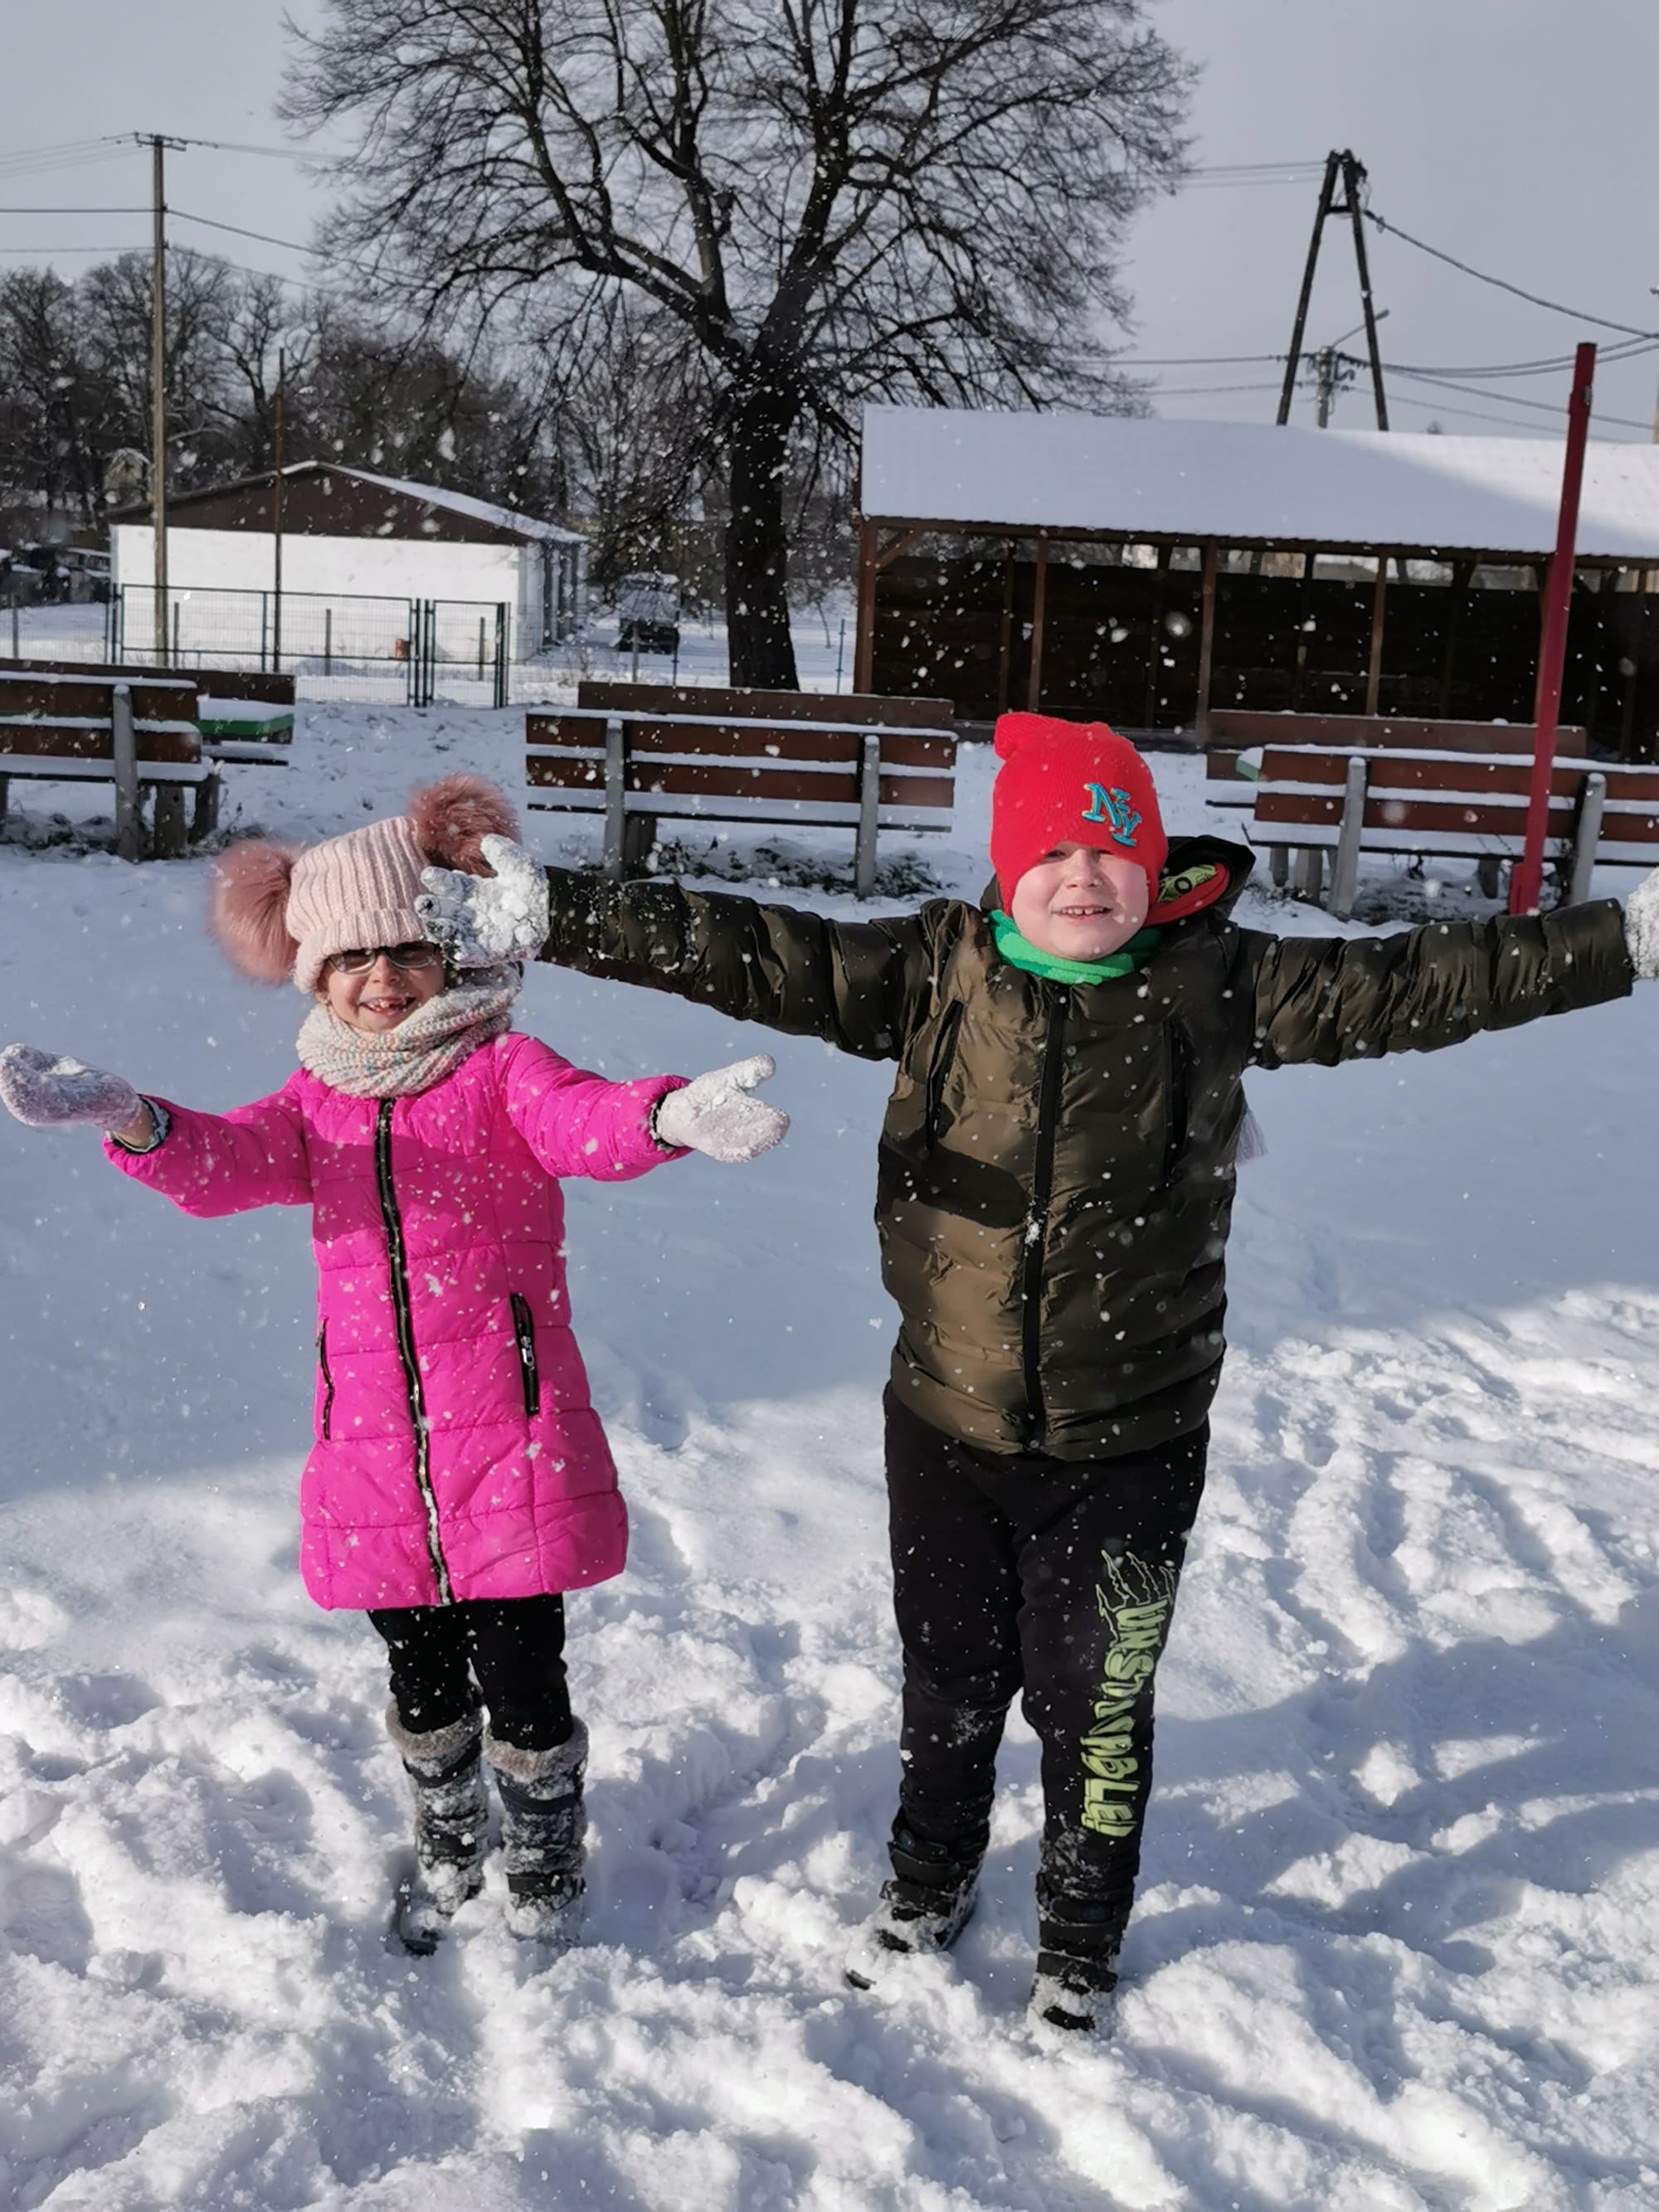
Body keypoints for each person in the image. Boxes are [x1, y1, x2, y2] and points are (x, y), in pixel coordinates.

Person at [416, 715, 1659, 2032]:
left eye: (1113, 849)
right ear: (1008, 867)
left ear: (1155, 866)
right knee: (948, 1685)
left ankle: (1078, 1934)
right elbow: (752, 947)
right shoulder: (932, 975)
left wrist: (1619, 943)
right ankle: (928, 1881)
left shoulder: (1216, 981)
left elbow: (1419, 978)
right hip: (945, 1424)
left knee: (1096, 1703)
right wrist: (566, 910)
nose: (1084, 874)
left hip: (1130, 1439)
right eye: (1053, 848)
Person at [0, 775, 789, 1954]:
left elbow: (588, 1121)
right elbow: (224, 1165)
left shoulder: (501, 1070)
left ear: (448, 953)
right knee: (420, 1677)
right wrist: (138, 1121)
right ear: (317, 978)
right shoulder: (316, 1102)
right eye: (353, 962)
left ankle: (543, 1852)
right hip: (375, 1452)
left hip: (510, 1434)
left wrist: (668, 1117)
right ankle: (450, 1836)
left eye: (407, 952)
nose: (384, 980)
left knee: (525, 1672)